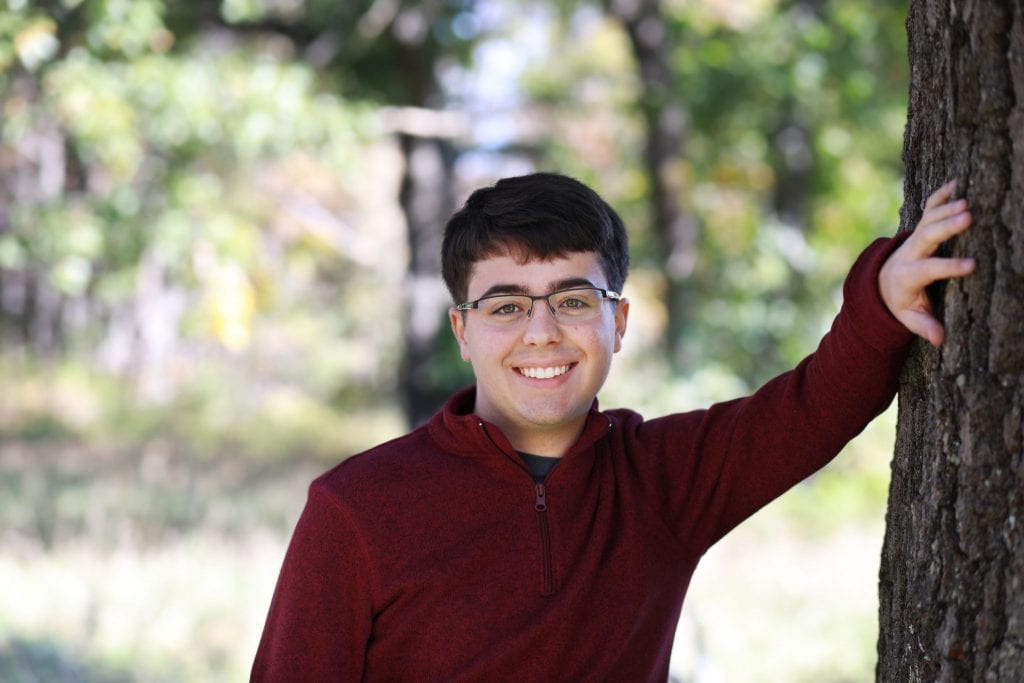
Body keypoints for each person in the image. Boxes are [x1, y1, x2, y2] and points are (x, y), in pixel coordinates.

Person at [251, 173, 974, 680]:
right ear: (461, 332)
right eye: (505, 306)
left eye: (572, 299)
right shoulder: (356, 508)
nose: (541, 333)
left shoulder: (663, 480)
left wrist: (879, 300)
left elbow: (811, 409)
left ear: (617, 321)